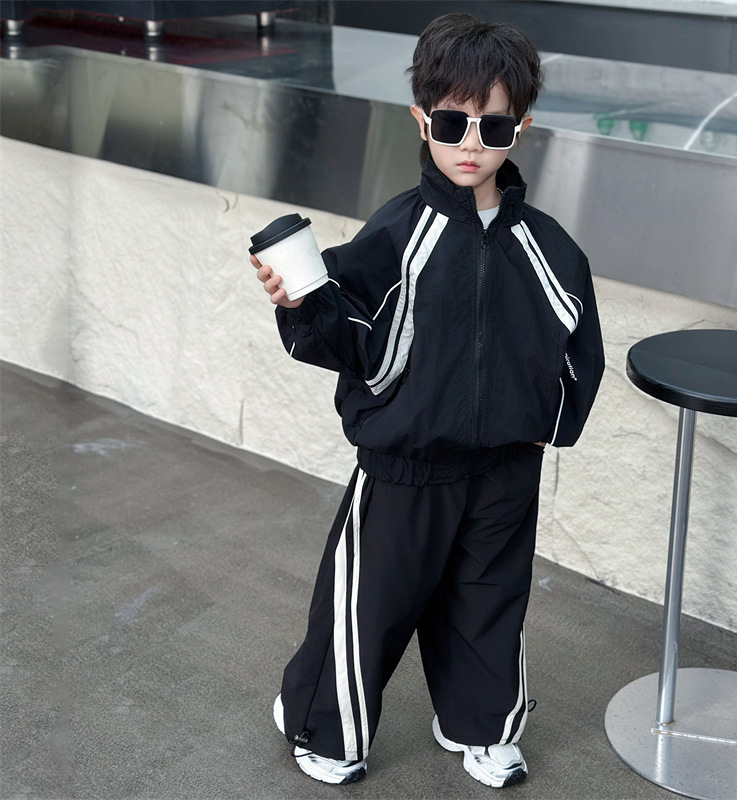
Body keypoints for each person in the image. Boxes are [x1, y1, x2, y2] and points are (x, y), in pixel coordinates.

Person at [250, 13, 604, 789]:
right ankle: (323, 722)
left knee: (489, 603)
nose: (470, 142)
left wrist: (547, 427)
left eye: (493, 125)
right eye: (451, 122)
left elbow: (580, 345)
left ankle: (482, 725)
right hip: (403, 466)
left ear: (521, 128)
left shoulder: (549, 248)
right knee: (369, 605)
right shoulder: (395, 235)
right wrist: (298, 303)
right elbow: (342, 328)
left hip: (505, 470)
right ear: (421, 120)